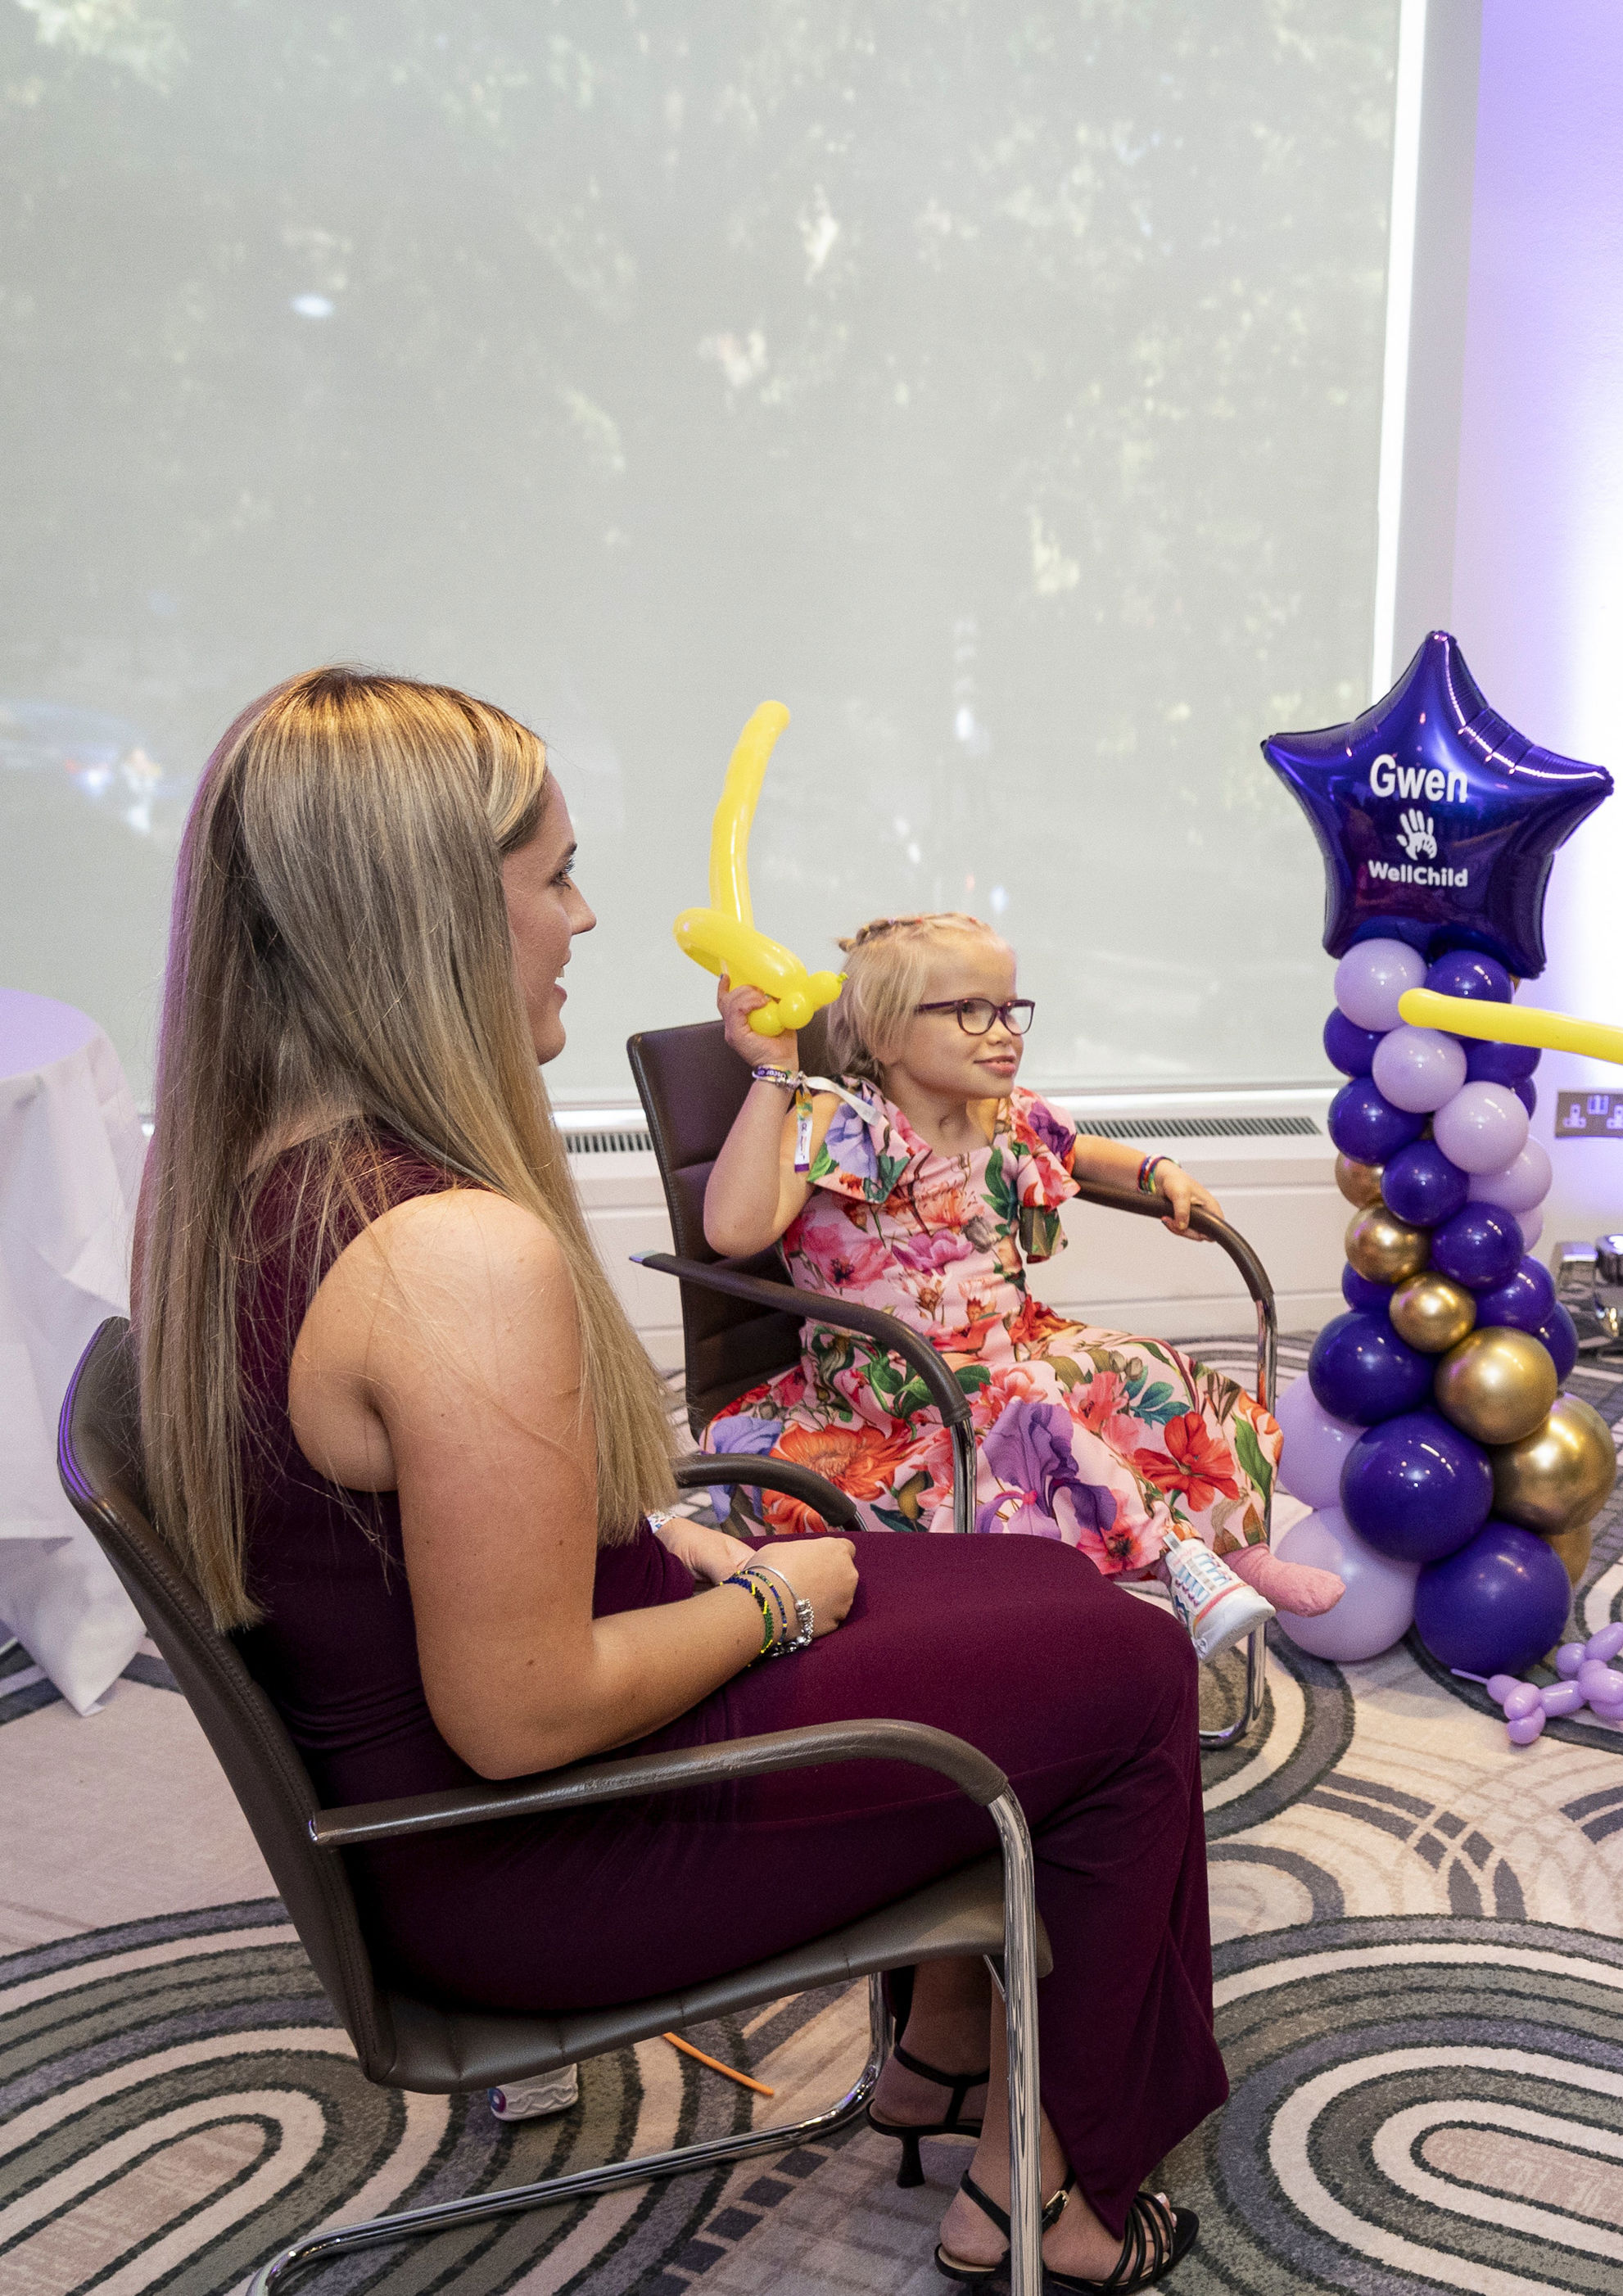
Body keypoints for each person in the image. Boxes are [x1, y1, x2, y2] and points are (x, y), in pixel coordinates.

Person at [138, 667, 1218, 2289]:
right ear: (437, 912)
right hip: (545, 1853)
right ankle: (1052, 2198)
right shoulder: (449, 1257)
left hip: (458, 1815)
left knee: (1041, 1580)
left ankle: (941, 2059)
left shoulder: (255, 1178)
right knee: (1129, 1665)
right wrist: (777, 1593)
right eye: (557, 874)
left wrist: (676, 1552)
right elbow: (522, 1712)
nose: (583, 916)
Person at [695, 911, 1338, 1640]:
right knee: (1031, 1402)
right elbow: (733, 1230)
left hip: (1012, 1337)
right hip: (888, 1377)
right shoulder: (842, 1120)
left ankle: (1238, 1550)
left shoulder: (1002, 1114)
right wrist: (773, 1075)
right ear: (885, 1034)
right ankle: (1176, 1560)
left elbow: (1082, 1151)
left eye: (1008, 1009)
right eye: (971, 1011)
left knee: (1149, 1368)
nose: (1004, 1032)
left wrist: (1158, 1171)